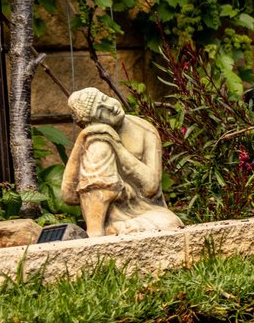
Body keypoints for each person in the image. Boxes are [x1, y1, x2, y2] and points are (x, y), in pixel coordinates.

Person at [63, 87, 184, 238]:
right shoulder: (92, 141)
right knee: (99, 148)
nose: (110, 107)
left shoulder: (145, 130)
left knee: (170, 223)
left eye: (105, 99)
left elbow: (151, 187)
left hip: (145, 210)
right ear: (92, 123)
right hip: (108, 214)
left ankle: (118, 230)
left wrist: (117, 145)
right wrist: (81, 141)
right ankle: (96, 232)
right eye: (101, 112)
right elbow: (68, 196)